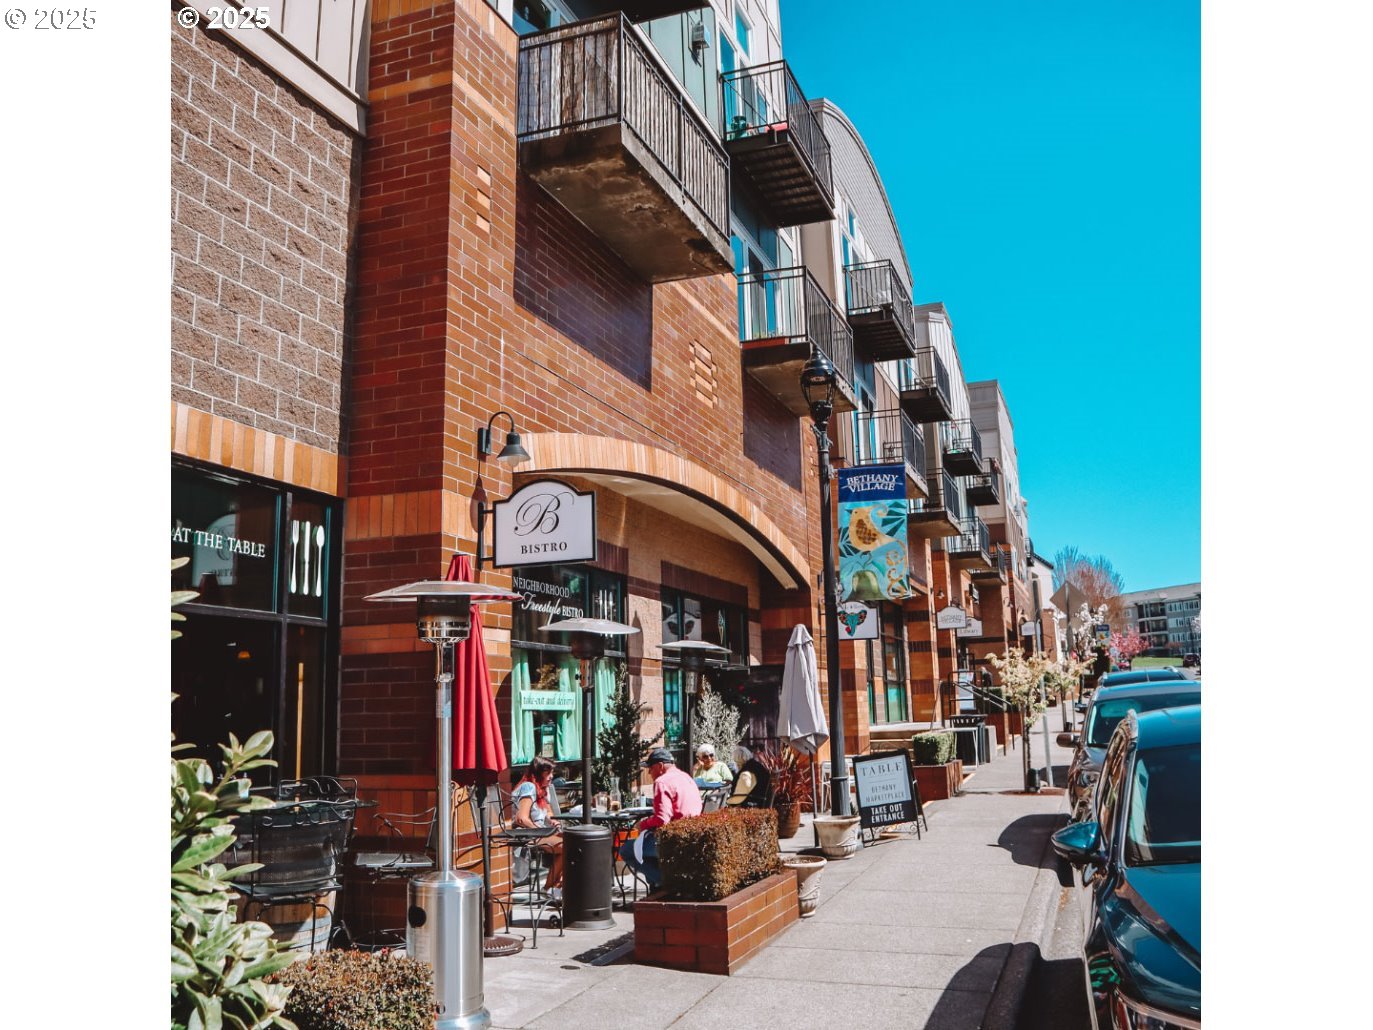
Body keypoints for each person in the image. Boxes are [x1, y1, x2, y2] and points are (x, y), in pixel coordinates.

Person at [619, 747, 702, 889]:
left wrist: (642, 824)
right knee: (643, 848)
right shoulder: (686, 777)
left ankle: (668, 884)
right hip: (693, 836)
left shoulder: (662, 782)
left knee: (626, 850)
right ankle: (656, 887)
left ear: (660, 766)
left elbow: (662, 819)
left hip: (673, 840)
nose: (650, 773)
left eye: (650, 768)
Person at [511, 756, 564, 900]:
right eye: (548, 773)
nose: (551, 776)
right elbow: (521, 818)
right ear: (538, 773)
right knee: (568, 847)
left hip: (538, 831)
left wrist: (554, 822)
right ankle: (549, 888)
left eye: (552, 772)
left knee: (576, 842)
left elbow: (548, 812)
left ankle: (555, 887)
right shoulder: (528, 786)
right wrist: (540, 830)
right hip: (526, 833)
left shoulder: (542, 790)